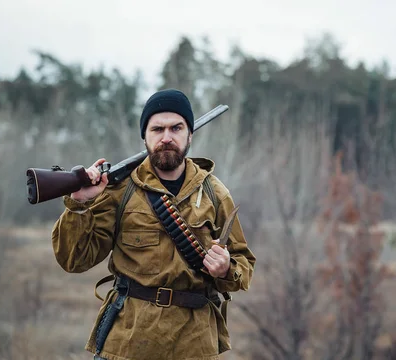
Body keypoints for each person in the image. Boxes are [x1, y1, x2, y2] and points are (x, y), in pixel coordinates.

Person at [51, 89, 256, 360]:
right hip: (129, 341)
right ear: (145, 136)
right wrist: (79, 205)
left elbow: (244, 264)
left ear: (190, 134)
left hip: (194, 345)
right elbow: (74, 261)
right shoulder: (118, 190)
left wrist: (226, 268)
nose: (167, 137)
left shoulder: (215, 194)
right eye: (157, 129)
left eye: (176, 128)